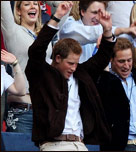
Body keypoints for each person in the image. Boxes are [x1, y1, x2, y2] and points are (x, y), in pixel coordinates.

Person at [25, 2, 115, 151]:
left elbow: (103, 56)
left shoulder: (80, 73)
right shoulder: (42, 75)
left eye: (76, 63)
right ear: (58, 58)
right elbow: (36, 50)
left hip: (80, 144)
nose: (74, 68)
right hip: (54, 145)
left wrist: (107, 30)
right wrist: (57, 17)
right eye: (71, 63)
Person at [1, 1, 53, 133]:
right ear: (18, 11)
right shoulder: (13, 31)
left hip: (46, 110)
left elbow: (63, 8)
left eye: (35, 3)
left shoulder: (46, 34)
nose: (32, 7)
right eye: (27, 4)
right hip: (22, 111)